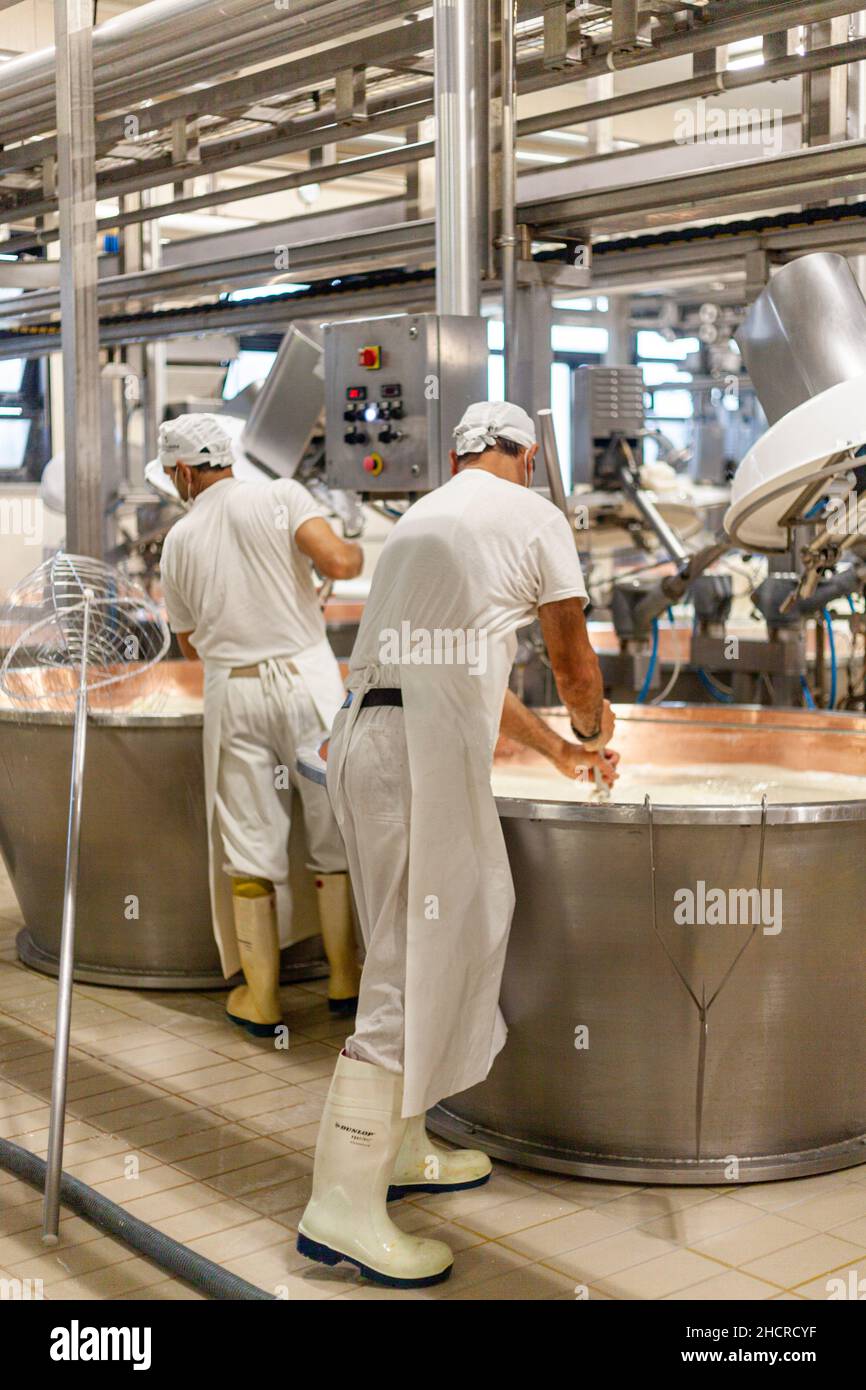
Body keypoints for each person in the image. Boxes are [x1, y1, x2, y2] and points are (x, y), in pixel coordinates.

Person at [297, 401, 617, 1288]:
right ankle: (341, 1207)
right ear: (526, 455)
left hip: (370, 747)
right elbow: (573, 661)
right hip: (418, 762)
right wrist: (593, 729)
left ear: (456, 453)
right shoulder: (534, 514)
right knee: (409, 971)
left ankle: (400, 1149)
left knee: (421, 948)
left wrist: (552, 749)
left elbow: (459, 661)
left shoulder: (423, 518)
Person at [157, 413, 365, 1033]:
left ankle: (262, 999)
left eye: (174, 475)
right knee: (334, 830)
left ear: (187, 471)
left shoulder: (179, 539)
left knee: (250, 846)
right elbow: (342, 562)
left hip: (236, 689)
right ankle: (344, 980)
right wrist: (343, 555)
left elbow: (192, 646)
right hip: (309, 682)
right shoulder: (281, 496)